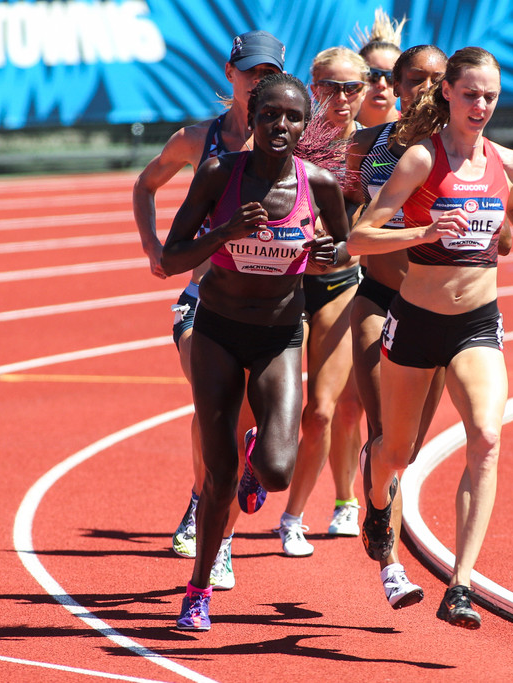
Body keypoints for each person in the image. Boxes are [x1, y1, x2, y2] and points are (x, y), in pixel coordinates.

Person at [347, 47, 513, 630]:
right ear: (448, 93)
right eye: (470, 94)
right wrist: (421, 229)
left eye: (490, 95)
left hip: (477, 322)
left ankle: (460, 585)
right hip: (416, 321)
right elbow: (359, 239)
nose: (481, 105)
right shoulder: (421, 159)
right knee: (395, 452)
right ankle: (375, 502)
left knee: (487, 438)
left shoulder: (508, 161)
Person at [161, 71, 352, 631]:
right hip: (218, 332)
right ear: (254, 118)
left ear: (304, 124)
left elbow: (342, 251)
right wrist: (222, 235)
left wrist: (326, 253)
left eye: (293, 117)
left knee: (275, 472)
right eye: (271, 115)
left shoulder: (318, 184)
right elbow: (172, 258)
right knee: (216, 479)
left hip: (278, 335)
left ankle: (255, 458)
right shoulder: (221, 175)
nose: (282, 126)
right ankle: (198, 591)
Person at [132, 31, 284, 590]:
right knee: (217, 408)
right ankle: (218, 540)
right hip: (203, 302)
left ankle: (207, 495)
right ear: (230, 73)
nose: (258, 82)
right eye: (250, 72)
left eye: (268, 74)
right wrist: (154, 248)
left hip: (270, 309)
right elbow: (145, 183)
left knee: (251, 423)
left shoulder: (296, 141)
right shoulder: (199, 140)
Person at [345, 43, 449, 610]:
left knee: (403, 450)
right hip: (378, 298)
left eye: (437, 80)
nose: (425, 91)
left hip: (433, 310)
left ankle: (377, 503)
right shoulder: (369, 145)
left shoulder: (460, 156)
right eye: (414, 80)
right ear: (398, 83)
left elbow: (501, 239)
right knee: (382, 428)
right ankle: (391, 564)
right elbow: (315, 193)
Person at [272, 46, 370, 557]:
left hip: (339, 284)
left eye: (353, 87)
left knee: (324, 413)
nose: (342, 97)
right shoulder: (289, 140)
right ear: (313, 87)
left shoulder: (374, 147)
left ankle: (298, 517)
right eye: (331, 86)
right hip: (284, 284)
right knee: (267, 410)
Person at [353, 9, 406, 128]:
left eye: (391, 77)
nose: (381, 84)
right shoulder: (337, 128)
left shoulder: (413, 131)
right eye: (373, 75)